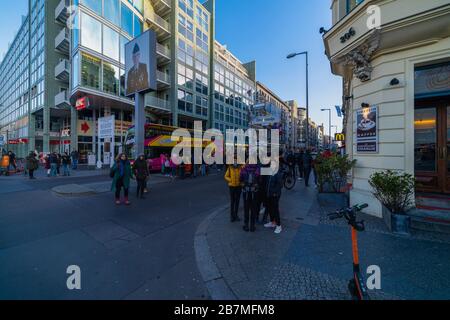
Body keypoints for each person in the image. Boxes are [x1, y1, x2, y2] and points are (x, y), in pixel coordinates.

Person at [240, 162, 260, 232]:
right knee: (253, 210)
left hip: (246, 192)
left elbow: (240, 179)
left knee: (246, 209)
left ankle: (246, 226)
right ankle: (252, 226)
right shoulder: (258, 168)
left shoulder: (244, 168)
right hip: (254, 193)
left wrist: (243, 185)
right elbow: (260, 180)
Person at [264, 166, 284, 234]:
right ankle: (272, 222)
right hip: (269, 194)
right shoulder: (269, 170)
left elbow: (280, 184)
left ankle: (279, 225)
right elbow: (260, 171)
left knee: (275, 209)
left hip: (275, 194)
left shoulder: (277, 172)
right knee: (270, 208)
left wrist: (275, 193)